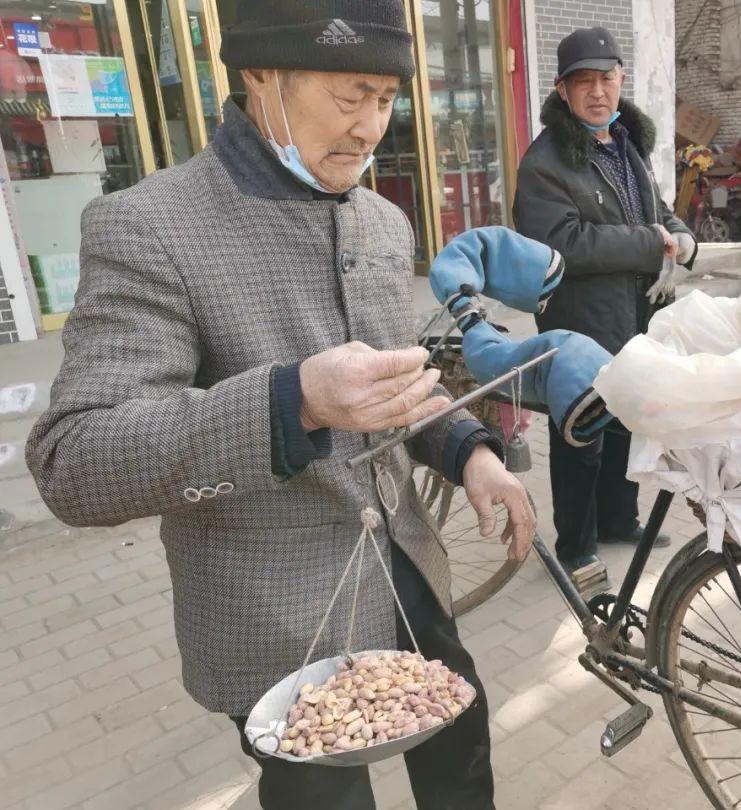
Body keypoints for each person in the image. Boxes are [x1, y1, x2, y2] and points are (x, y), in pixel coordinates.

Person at [25, 2, 535, 808]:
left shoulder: (383, 220)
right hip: (271, 617)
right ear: (259, 73)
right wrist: (291, 401)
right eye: (349, 95)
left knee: (462, 759)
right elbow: (76, 461)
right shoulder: (150, 226)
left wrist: (470, 450)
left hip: (403, 570)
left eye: (388, 99)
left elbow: (395, 393)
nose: (372, 128)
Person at [512, 27, 697, 576]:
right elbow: (561, 243)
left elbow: (654, 209)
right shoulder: (546, 162)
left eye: (607, 78)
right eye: (584, 81)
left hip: (633, 312)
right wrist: (651, 244)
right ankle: (575, 543)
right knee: (579, 429)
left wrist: (682, 236)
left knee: (626, 420)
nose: (598, 92)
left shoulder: (623, 141)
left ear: (621, 80)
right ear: (562, 90)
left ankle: (619, 520)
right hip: (578, 319)